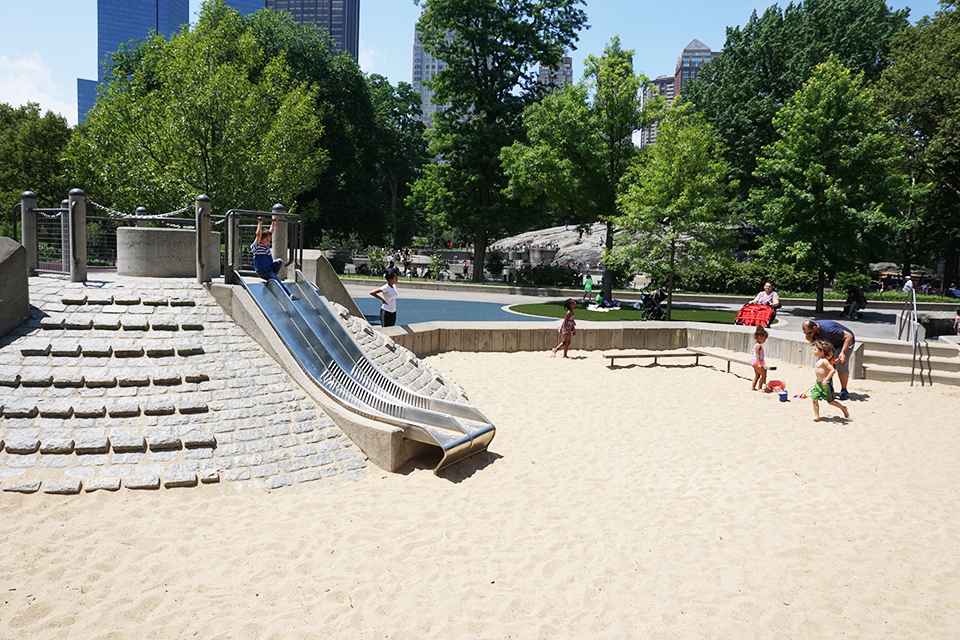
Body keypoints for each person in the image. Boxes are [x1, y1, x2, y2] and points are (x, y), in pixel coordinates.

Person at [802, 319, 855, 400]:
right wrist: (810, 339)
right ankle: (825, 388)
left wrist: (843, 352)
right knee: (825, 366)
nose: (808, 334)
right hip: (830, 345)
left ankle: (844, 390)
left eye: (809, 333)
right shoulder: (813, 332)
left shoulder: (829, 329)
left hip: (843, 343)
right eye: (805, 333)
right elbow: (817, 344)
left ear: (815, 327)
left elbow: (849, 336)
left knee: (841, 365)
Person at [251, 217, 299, 301]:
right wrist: (260, 223)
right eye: (267, 240)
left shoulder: (266, 246)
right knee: (277, 281)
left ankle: (272, 277)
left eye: (269, 240)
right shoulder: (257, 247)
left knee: (279, 261)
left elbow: (271, 233)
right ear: (261, 240)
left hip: (269, 269)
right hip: (262, 271)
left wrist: (273, 223)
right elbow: (258, 235)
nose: (268, 242)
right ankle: (289, 295)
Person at [810, 340, 851, 422]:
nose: (813, 351)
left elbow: (832, 370)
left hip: (826, 384)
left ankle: (843, 408)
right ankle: (817, 416)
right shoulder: (819, 359)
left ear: (821, 352)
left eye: (815, 349)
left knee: (831, 401)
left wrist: (826, 380)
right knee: (814, 399)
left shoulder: (824, 361)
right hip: (818, 383)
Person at [750, 326, 769, 391]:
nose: (764, 341)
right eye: (764, 339)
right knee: (764, 375)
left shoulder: (756, 344)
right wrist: (759, 364)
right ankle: (759, 387)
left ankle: (753, 387)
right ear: (759, 337)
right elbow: (757, 355)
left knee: (757, 376)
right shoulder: (758, 346)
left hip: (754, 362)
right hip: (757, 362)